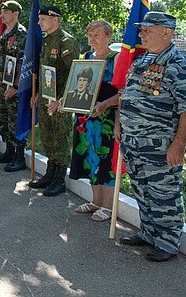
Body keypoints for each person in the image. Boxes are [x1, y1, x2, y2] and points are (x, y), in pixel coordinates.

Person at [116, 11, 186, 262]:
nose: (141, 34)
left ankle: (168, 242)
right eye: (141, 29)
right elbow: (125, 96)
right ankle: (149, 234)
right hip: (133, 142)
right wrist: (120, 125)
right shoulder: (141, 61)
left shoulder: (180, 65)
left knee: (164, 194)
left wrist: (178, 145)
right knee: (141, 190)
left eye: (147, 30)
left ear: (166, 32)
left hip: (160, 145)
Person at [69, 20, 120, 222]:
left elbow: (122, 93)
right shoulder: (87, 57)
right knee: (90, 160)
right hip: (85, 118)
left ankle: (107, 207)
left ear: (108, 36)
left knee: (105, 161)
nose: (92, 39)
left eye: (97, 35)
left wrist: (105, 105)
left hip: (105, 120)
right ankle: (96, 201)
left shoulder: (117, 59)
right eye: (90, 35)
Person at [29, 6, 78, 196]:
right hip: (46, 97)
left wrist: (62, 99)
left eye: (42, 19)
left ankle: (59, 179)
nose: (39, 22)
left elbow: (73, 74)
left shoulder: (67, 42)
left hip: (60, 101)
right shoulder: (46, 41)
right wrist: (39, 94)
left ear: (55, 19)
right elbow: (45, 71)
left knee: (60, 138)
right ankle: (50, 173)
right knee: (48, 137)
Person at [0, 0, 27, 170]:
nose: (2, 15)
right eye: (2, 11)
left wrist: (16, 86)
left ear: (15, 14)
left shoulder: (21, 34)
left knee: (14, 120)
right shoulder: (5, 34)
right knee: (3, 118)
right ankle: (9, 151)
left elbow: (23, 63)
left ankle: (19, 157)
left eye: (6, 12)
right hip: (4, 82)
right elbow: (1, 60)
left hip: (14, 86)